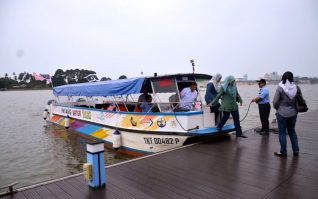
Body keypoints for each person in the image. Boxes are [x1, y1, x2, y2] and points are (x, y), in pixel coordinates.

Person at [273, 71, 299, 157]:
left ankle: (283, 151)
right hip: (293, 114)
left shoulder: (280, 87)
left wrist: (277, 108)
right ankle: (296, 150)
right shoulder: (296, 87)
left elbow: (275, 102)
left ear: (283, 78)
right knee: (292, 131)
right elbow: (298, 101)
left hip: (282, 113)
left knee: (282, 133)